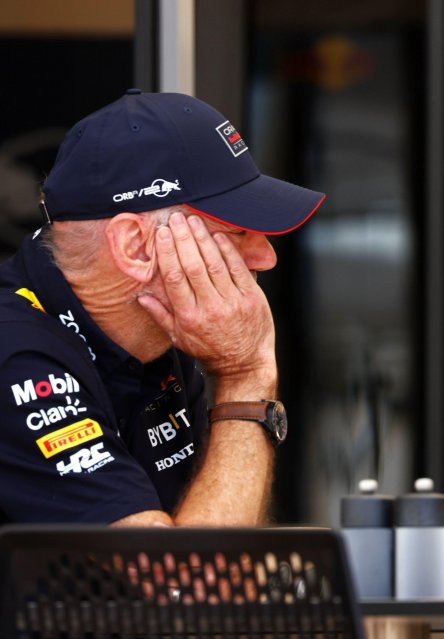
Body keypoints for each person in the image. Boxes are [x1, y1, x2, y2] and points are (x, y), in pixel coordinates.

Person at [0, 89, 325, 527]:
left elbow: (211, 528)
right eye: (237, 232)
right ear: (135, 247)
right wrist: (245, 379)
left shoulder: (159, 332)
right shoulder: (16, 354)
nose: (267, 257)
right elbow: (178, 584)